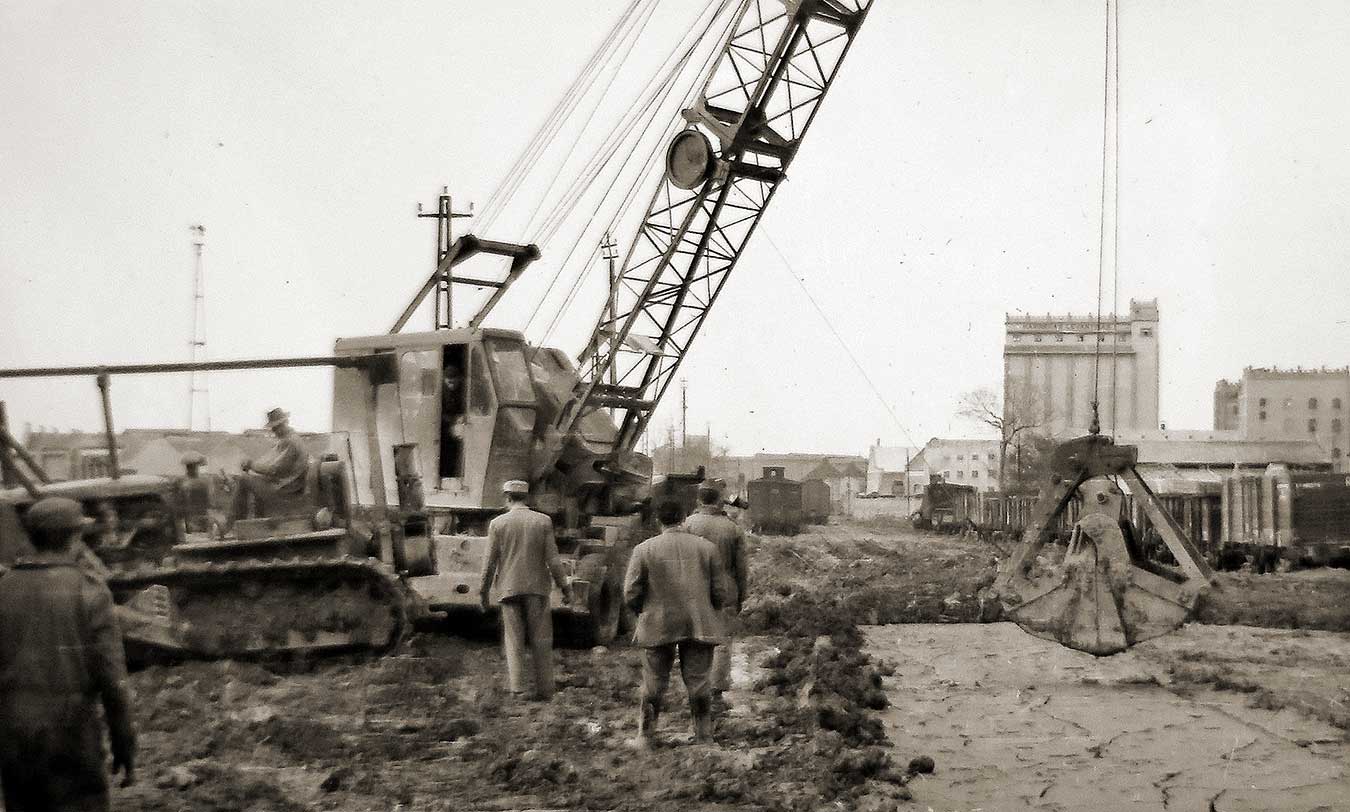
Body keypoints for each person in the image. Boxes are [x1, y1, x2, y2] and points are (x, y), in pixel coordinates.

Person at [0, 497, 136, 811]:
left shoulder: (3, 589)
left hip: (14, 738)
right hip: (71, 734)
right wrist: (123, 743)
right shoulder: (89, 591)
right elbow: (113, 680)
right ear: (75, 538)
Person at [623, 500, 727, 746]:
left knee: (653, 682)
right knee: (700, 682)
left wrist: (644, 611)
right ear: (684, 518)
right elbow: (720, 593)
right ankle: (704, 738)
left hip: (658, 623)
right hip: (699, 623)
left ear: (659, 521)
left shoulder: (644, 549)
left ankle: (645, 737)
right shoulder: (708, 549)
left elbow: (630, 592)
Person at [478, 480, 574, 700]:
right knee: (541, 639)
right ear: (528, 498)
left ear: (507, 498)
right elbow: (553, 560)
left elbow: (489, 563)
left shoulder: (497, 524)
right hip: (537, 589)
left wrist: (482, 593)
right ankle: (545, 689)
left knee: (513, 640)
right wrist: (565, 588)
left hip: (509, 589)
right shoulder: (542, 522)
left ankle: (518, 688)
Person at [683, 482, 748, 699]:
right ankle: (717, 686)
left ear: (700, 500)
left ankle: (695, 683)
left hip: (693, 587)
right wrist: (741, 594)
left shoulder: (688, 524)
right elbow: (741, 567)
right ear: (718, 500)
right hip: (725, 587)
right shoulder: (732, 528)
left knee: (694, 637)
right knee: (722, 638)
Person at [229, 407, 309, 523]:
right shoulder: (286, 441)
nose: (274, 431)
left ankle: (233, 521)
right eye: (273, 428)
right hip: (285, 486)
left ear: (285, 423)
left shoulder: (291, 442)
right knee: (255, 480)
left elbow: (274, 469)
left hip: (285, 490)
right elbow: (267, 463)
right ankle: (258, 520)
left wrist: (251, 465)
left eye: (277, 427)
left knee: (244, 480)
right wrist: (253, 467)